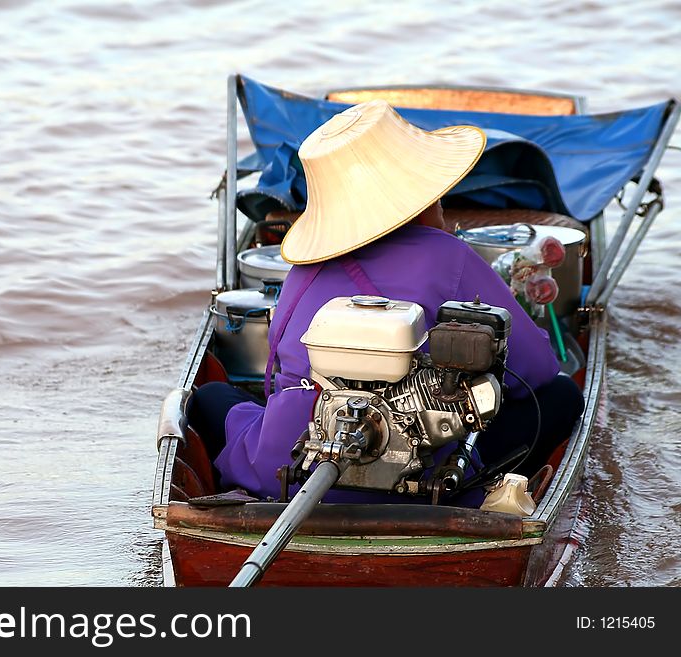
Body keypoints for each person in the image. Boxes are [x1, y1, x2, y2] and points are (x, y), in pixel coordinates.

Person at [189, 100, 583, 502]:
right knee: (561, 395)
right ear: (419, 203)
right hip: (420, 485)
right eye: (440, 199)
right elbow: (537, 370)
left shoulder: (305, 269)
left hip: (286, 472)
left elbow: (279, 376)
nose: (443, 210)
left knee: (209, 397)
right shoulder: (449, 256)